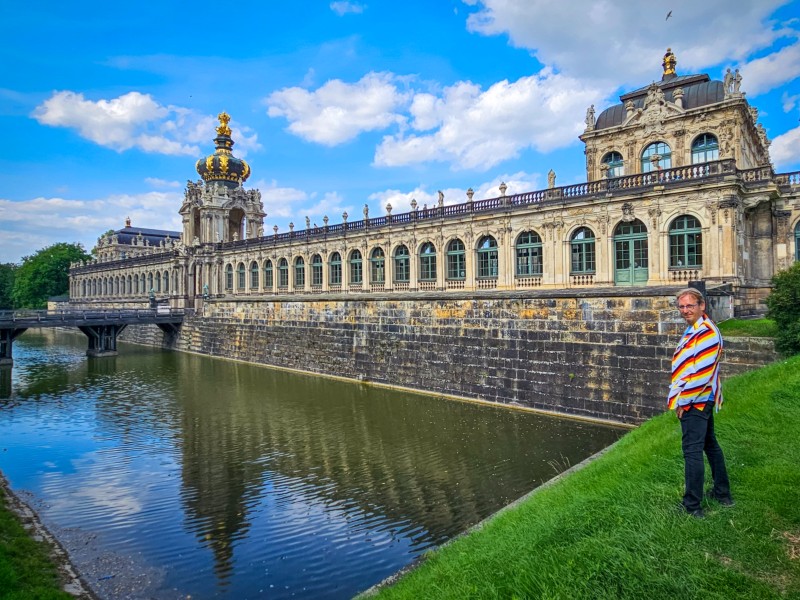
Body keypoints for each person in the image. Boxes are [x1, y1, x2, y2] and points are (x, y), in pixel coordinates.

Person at [668, 287, 733, 518]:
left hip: (696, 400)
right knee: (710, 445)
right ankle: (722, 494)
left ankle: (692, 506)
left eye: (690, 306)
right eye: (682, 306)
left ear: (702, 305)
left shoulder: (706, 332)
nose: (685, 310)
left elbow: (700, 374)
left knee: (692, 451)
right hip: (702, 397)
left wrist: (683, 402)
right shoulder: (696, 328)